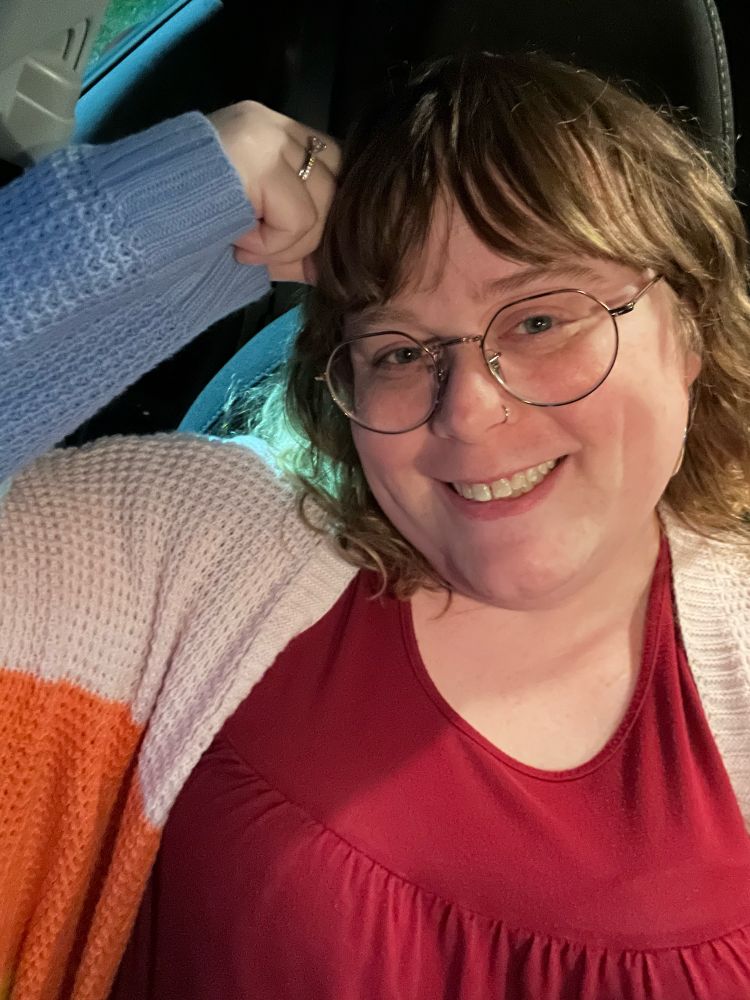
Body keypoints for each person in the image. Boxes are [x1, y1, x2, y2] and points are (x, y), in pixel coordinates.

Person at [2, 50, 750, 1000]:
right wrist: (163, 209)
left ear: (691, 330)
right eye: (399, 351)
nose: (467, 410)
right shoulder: (187, 554)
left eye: (539, 321)